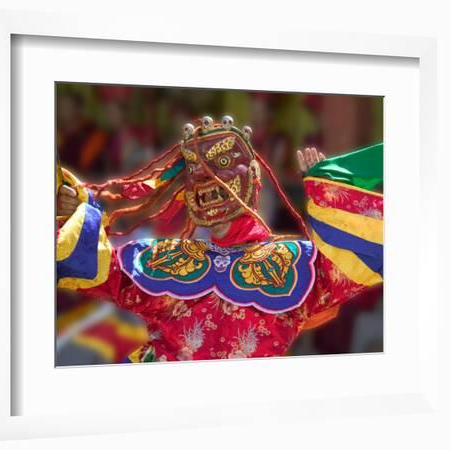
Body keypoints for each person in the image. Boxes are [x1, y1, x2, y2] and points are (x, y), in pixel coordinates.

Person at [56, 116, 383, 362]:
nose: (206, 178)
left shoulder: (297, 261)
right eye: (196, 170)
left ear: (253, 178)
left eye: (223, 163)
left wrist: (326, 189)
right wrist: (81, 212)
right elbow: (97, 268)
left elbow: (350, 264)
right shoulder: (165, 256)